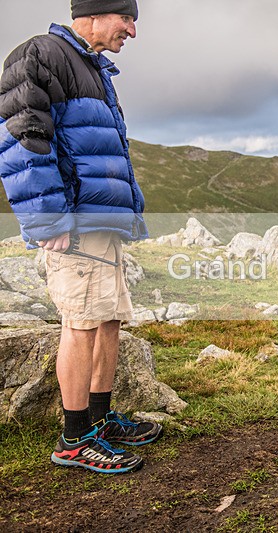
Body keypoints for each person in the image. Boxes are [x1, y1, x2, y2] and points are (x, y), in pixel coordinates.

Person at [0, 0, 161, 474]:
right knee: (82, 323)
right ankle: (74, 439)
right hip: (73, 221)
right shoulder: (42, 55)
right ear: (94, 13)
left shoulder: (92, 67)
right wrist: (46, 217)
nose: (132, 30)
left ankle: (99, 418)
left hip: (100, 221)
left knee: (107, 319)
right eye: (126, 19)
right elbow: (23, 137)